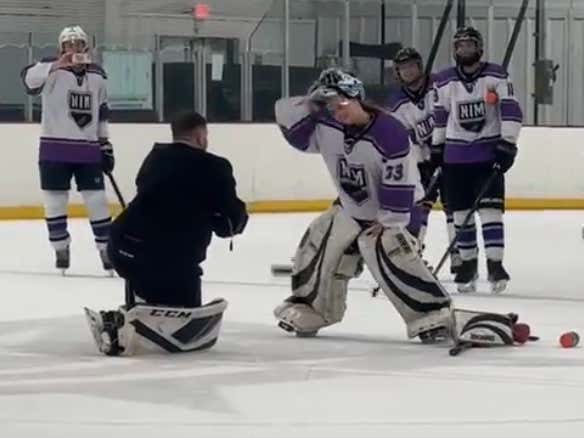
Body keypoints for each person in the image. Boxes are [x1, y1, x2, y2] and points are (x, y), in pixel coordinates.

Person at [273, 68, 453, 343]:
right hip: (352, 208)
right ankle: (312, 306)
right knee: (320, 240)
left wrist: (390, 221)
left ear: (357, 98)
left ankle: (432, 314)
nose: (336, 111)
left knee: (391, 251)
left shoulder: (390, 132)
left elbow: (400, 183)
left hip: (396, 214)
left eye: (341, 103)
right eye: (330, 105)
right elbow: (287, 120)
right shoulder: (325, 126)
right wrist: (311, 102)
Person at [85, 112, 248, 355]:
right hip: (169, 259)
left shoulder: (155, 157)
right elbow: (229, 222)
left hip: (121, 246)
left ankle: (133, 310)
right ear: (200, 137)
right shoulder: (215, 166)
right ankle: (143, 321)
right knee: (178, 294)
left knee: (145, 265)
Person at [431, 26, 523, 294]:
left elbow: (511, 110)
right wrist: (437, 149)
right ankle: (468, 265)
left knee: (491, 212)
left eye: (469, 46)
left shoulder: (496, 76)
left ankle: (495, 265)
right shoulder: (445, 81)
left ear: (479, 48)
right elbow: (440, 115)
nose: (465, 51)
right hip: (455, 159)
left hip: (487, 156)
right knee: (460, 215)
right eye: (460, 47)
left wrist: (508, 144)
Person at [21, 25, 114, 274]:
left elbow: (102, 111)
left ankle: (107, 250)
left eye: (78, 44)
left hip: (88, 150)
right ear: (60, 48)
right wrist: (55, 65)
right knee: (54, 203)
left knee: (97, 202)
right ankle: (60, 247)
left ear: (87, 47)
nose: (74, 49)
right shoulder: (50, 69)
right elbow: (28, 80)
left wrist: (105, 145)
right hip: (54, 150)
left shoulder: (97, 74)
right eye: (68, 45)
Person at [388, 47, 461, 274]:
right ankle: (414, 254)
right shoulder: (396, 103)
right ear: (397, 73)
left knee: (454, 207)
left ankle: (459, 257)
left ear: (420, 67)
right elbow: (404, 136)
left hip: (451, 155)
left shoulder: (440, 85)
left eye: (411, 66)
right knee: (420, 209)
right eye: (403, 68)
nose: (408, 71)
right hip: (422, 161)